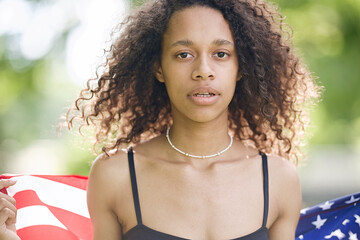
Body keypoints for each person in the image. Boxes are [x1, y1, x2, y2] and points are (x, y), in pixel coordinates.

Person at [0, 0, 321, 239]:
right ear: (158, 68)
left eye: (221, 54)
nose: (203, 70)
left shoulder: (278, 180)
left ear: (242, 68)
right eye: (184, 54)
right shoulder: (115, 175)